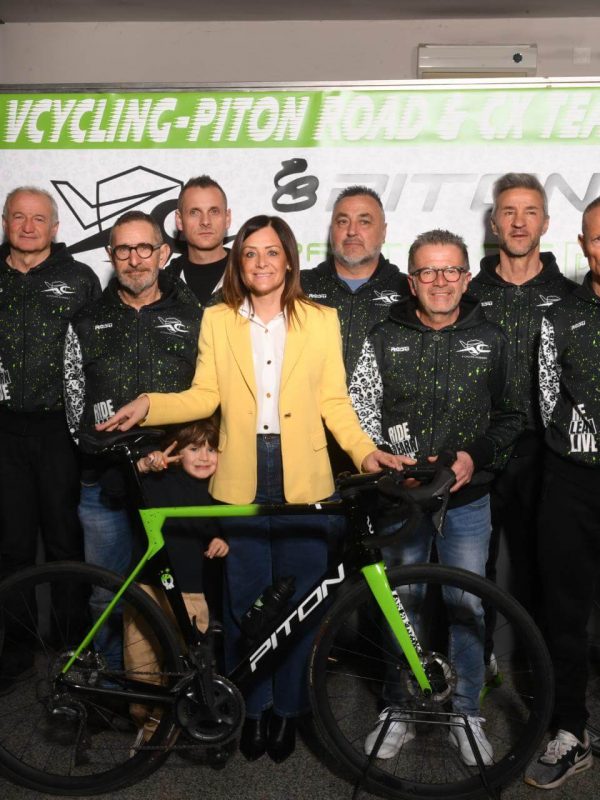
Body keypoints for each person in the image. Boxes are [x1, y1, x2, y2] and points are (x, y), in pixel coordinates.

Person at [97, 214, 399, 764]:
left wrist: (364, 452)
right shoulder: (218, 319)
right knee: (244, 603)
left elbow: (334, 401)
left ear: (289, 259)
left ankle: (287, 712)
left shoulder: (321, 319)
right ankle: (252, 709)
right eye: (250, 253)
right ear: (239, 263)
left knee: (300, 605)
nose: (261, 263)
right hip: (240, 472)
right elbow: (205, 396)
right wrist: (149, 403)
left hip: (304, 474)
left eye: (271, 252)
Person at [349, 229, 523, 766]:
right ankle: (399, 707)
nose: (440, 281)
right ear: (412, 280)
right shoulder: (382, 336)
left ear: (467, 278)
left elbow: (512, 416)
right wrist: (380, 459)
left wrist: (475, 456)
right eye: (428, 271)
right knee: (402, 603)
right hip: (399, 500)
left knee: (465, 604)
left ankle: (466, 713)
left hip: (466, 500)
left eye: (451, 270)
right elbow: (360, 411)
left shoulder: (493, 337)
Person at [64, 209, 202, 668]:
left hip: (174, 482)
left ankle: (176, 687)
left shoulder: (196, 316)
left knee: (177, 592)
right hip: (103, 485)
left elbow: (207, 397)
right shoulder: (85, 320)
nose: (134, 259)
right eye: (124, 249)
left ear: (163, 254)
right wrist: (110, 457)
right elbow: (74, 406)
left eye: (144, 247)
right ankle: (107, 688)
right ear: (111, 255)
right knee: (106, 594)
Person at [0, 186, 101, 695]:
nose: (28, 226)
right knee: (12, 545)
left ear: (55, 227)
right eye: (18, 216)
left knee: (65, 542)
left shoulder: (80, 279)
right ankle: (17, 648)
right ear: (5, 222)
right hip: (4, 430)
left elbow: (98, 353)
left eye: (38, 218)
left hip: (60, 429)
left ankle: (70, 644)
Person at [470, 173, 575, 627]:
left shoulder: (570, 297)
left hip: (545, 454)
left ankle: (539, 664)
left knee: (545, 570)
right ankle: (478, 660)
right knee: (472, 571)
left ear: (545, 223)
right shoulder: (466, 295)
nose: (518, 222)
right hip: (479, 450)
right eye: (508, 212)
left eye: (530, 212)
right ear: (494, 223)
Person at [524, 197, 600, 789]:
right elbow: (548, 401)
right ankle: (570, 730)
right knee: (565, 612)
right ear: (582, 245)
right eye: (598, 238)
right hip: (572, 481)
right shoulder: (561, 316)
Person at [126, 415, 228, 749]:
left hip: (192, 594)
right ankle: (144, 723)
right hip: (147, 588)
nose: (204, 457)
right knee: (140, 669)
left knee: (190, 671)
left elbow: (224, 525)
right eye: (194, 449)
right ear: (176, 451)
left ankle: (162, 730)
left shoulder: (220, 490)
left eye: (212, 449)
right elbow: (113, 488)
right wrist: (144, 465)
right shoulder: (160, 480)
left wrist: (223, 539)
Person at [301, 186, 409, 476]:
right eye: (342, 221)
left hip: (385, 451)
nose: (351, 231)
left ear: (384, 231)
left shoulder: (409, 292)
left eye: (364, 221)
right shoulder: (298, 287)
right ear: (332, 230)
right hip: (307, 447)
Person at [167, 175, 231, 308]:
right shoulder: (164, 283)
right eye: (194, 212)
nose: (205, 222)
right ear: (179, 220)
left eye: (214, 211)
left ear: (227, 218)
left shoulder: (248, 273)